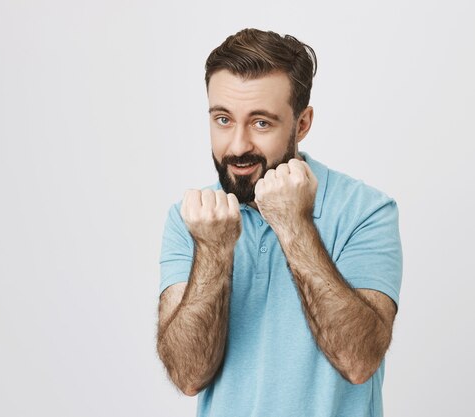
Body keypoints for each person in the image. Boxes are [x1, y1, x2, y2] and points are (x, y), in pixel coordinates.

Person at [156, 28, 402, 417]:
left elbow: (359, 361)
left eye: (261, 123)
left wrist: (294, 225)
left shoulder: (366, 210)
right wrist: (214, 250)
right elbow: (188, 375)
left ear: (301, 124)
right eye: (223, 119)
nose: (237, 146)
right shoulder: (193, 218)